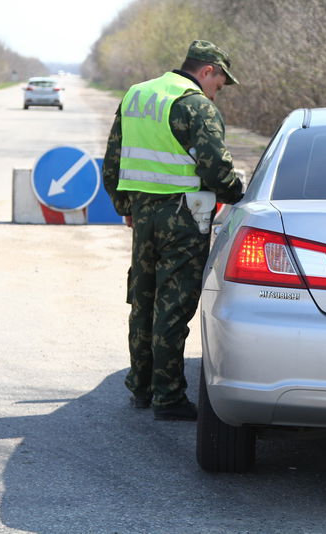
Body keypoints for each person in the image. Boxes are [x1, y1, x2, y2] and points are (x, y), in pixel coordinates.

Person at [102, 40, 244, 421]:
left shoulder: (136, 95)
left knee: (143, 298)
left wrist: (125, 206)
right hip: (183, 215)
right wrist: (238, 195)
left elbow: (113, 159)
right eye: (220, 82)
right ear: (207, 70)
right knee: (173, 304)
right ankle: (168, 398)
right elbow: (216, 169)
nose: (218, 91)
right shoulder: (195, 105)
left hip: (145, 214)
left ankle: (141, 386)